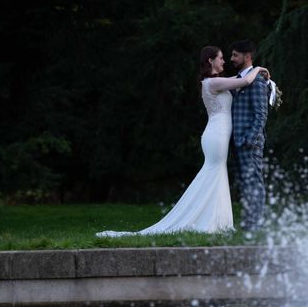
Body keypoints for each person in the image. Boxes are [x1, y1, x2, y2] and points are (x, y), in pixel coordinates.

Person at [96, 46, 268, 237]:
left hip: (216, 134)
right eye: (220, 58)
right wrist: (259, 69)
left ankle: (217, 221)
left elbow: (241, 80)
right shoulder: (212, 82)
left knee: (216, 175)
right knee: (214, 173)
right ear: (210, 61)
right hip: (216, 135)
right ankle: (207, 220)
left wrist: (256, 73)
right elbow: (244, 80)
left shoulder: (216, 81)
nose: (224, 61)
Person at [229, 40, 269, 232]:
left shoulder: (258, 82)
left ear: (247, 56)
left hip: (248, 143)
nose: (232, 59)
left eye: (235, 55)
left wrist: (250, 140)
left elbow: (261, 114)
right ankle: (248, 223)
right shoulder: (238, 79)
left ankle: (255, 225)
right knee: (244, 184)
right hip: (237, 142)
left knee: (254, 182)